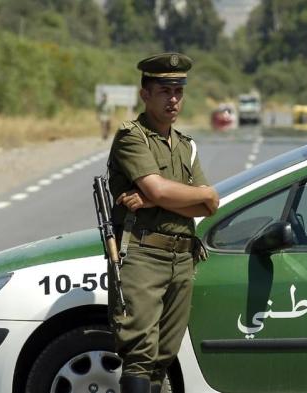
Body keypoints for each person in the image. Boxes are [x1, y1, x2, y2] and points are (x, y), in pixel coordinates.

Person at [107, 53, 219, 393]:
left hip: (182, 258)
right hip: (143, 255)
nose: (173, 99)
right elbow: (167, 189)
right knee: (140, 354)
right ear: (145, 94)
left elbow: (209, 204)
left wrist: (157, 199)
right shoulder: (132, 137)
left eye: (178, 91)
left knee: (164, 356)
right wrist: (175, 194)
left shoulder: (186, 146)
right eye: (164, 90)